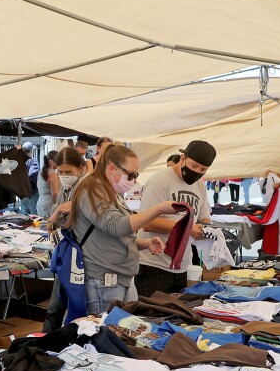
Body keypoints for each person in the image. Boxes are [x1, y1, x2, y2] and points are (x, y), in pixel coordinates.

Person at [65, 144, 174, 313]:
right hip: (103, 282)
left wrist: (145, 243)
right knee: (104, 328)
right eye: (131, 174)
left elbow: (112, 237)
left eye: (136, 175)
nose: (133, 180)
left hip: (114, 280)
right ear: (112, 168)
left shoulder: (109, 191)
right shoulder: (93, 189)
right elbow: (115, 226)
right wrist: (159, 209)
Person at [135, 140, 216, 297]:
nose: (197, 172)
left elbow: (205, 218)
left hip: (183, 265)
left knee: (178, 311)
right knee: (152, 311)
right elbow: (147, 222)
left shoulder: (200, 185)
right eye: (194, 166)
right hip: (154, 264)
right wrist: (188, 229)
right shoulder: (160, 180)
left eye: (203, 169)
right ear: (183, 158)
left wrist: (208, 231)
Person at [42, 148, 87, 332]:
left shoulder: (86, 190)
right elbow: (51, 224)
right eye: (60, 171)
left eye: (68, 171)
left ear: (81, 168)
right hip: (68, 254)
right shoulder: (65, 190)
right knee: (55, 308)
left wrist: (56, 216)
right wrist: (59, 211)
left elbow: (63, 224)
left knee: (75, 311)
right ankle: (45, 343)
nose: (64, 176)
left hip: (83, 258)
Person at [36, 149, 59, 217]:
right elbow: (55, 194)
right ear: (51, 161)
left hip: (40, 203)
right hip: (50, 204)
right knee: (50, 223)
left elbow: (38, 186)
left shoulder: (41, 172)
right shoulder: (52, 173)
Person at [19, 141, 40, 215]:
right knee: (34, 217)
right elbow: (32, 174)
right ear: (31, 151)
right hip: (32, 194)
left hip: (22, 194)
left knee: (24, 217)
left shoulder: (19, 162)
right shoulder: (33, 161)